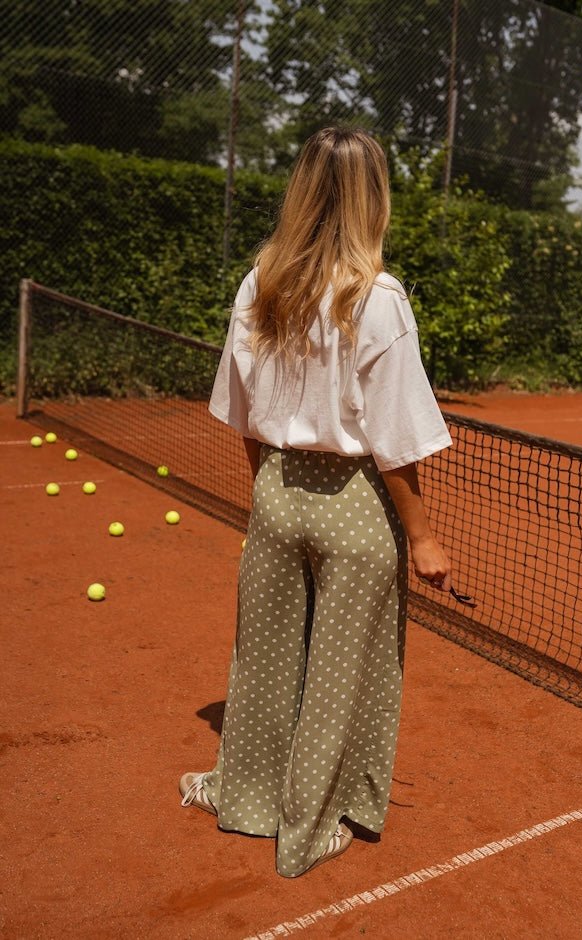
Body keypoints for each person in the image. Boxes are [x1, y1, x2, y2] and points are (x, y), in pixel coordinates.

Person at [179, 126, 453, 879]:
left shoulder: (260, 279)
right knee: (340, 673)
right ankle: (307, 832)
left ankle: (247, 800)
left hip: (273, 492)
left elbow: (238, 411)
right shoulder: (378, 298)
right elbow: (396, 441)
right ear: (374, 197)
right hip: (355, 508)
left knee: (263, 661)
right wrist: (423, 539)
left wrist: (272, 487)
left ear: (299, 188)